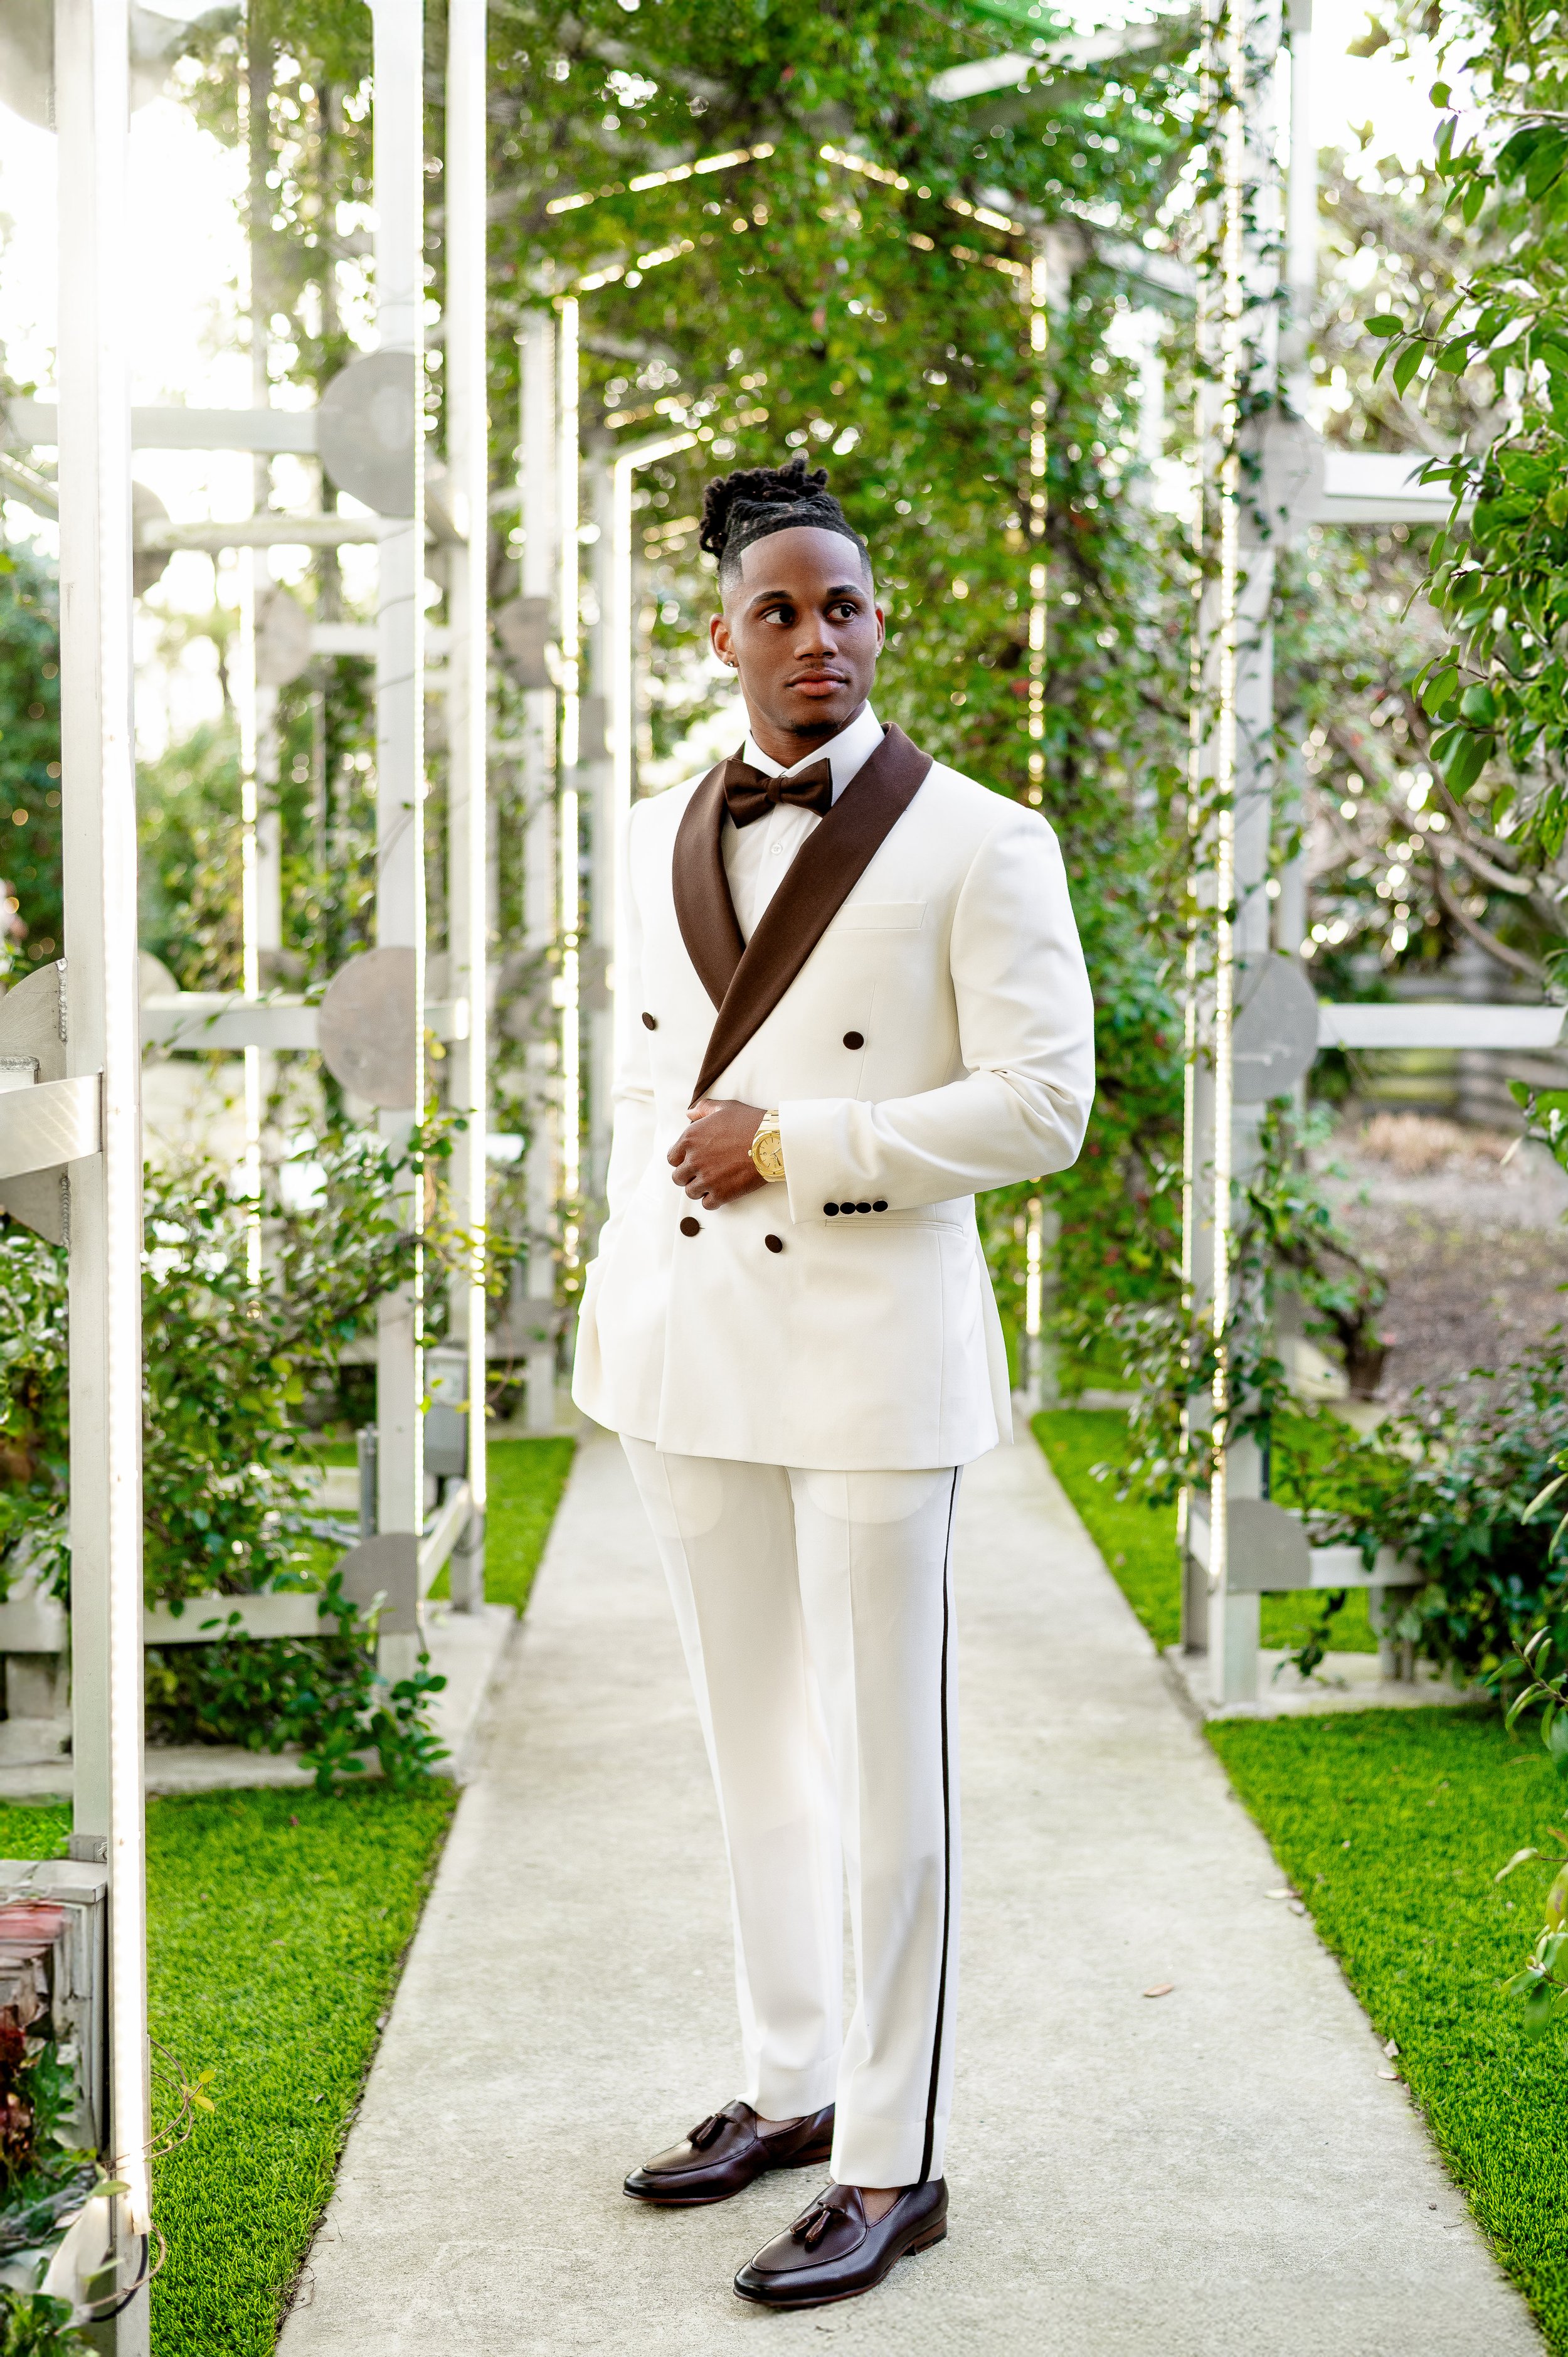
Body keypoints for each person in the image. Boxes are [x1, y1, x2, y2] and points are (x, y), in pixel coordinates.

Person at [571, 454, 1094, 2310]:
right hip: (689, 1347)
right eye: (779, 610)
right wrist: (632, 1264)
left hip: (872, 1356)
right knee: (752, 1754)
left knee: (885, 1777)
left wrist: (795, 1143)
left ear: (881, 623)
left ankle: (891, 2159)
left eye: (845, 605)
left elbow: (1044, 1107)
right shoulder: (653, 824)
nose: (818, 637)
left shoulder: (982, 839)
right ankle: (790, 2086)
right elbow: (648, 1089)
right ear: (720, 635)